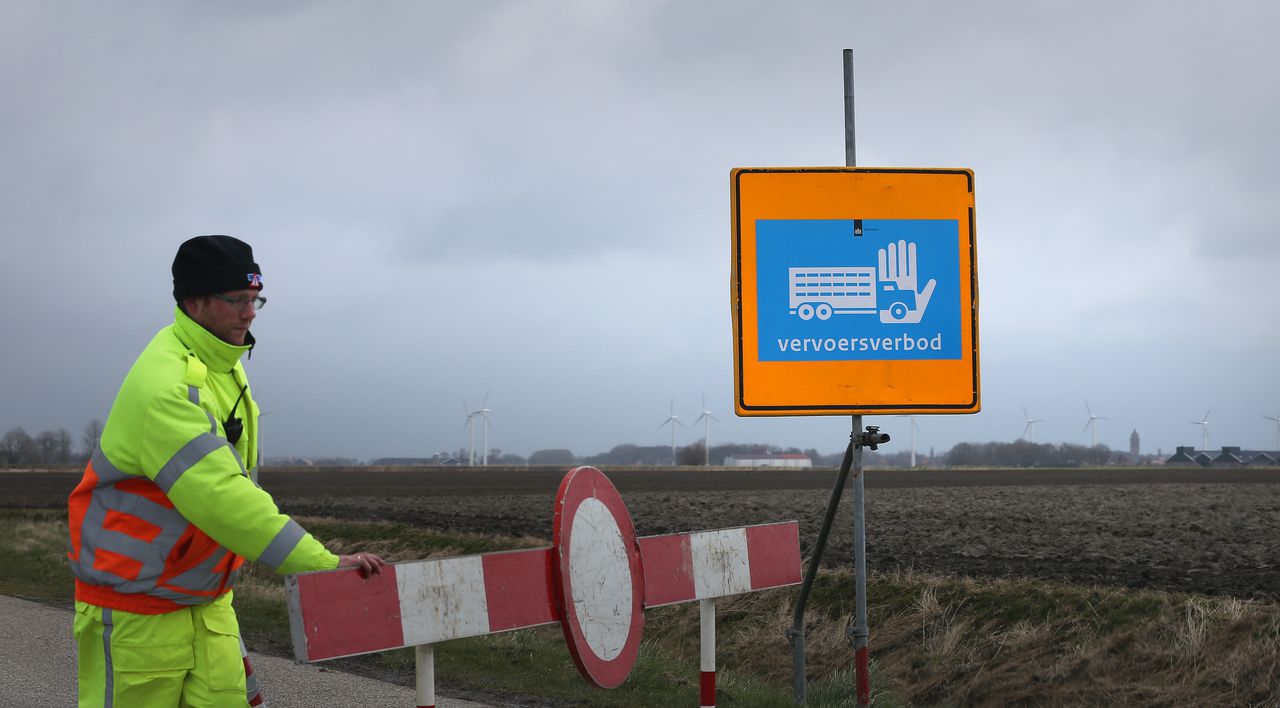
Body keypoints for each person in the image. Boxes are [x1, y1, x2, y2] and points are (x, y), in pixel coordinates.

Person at [67, 235, 387, 707]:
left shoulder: (219, 362)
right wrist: (321, 564)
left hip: (206, 601)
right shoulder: (167, 387)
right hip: (138, 610)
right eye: (237, 300)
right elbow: (224, 497)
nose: (251, 312)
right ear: (194, 302)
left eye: (256, 299)